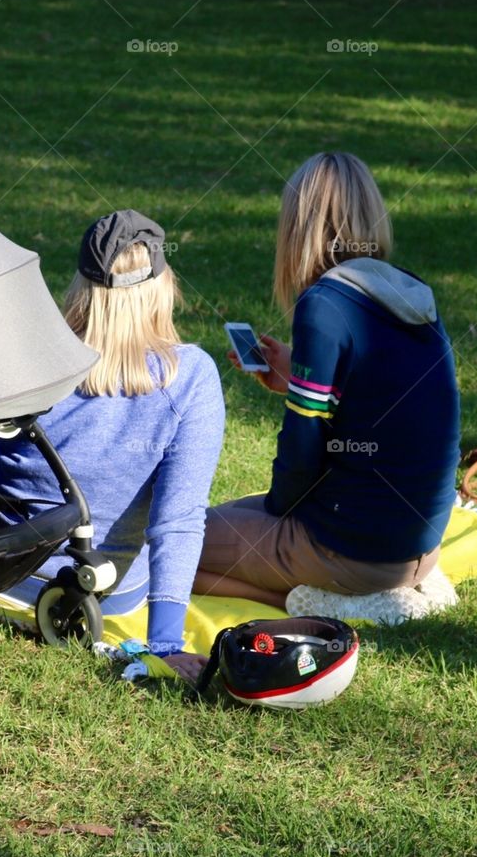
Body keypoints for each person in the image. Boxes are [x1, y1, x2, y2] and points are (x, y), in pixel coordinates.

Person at [0, 210, 224, 682]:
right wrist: (166, 647)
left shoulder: (26, 357)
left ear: (82, 285)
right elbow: (177, 522)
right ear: (161, 287)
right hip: (108, 592)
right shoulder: (190, 377)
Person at [195, 152, 460, 610]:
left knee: (171, 544)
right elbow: (385, 395)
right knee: (224, 517)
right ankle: (359, 585)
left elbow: (302, 449)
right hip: (419, 543)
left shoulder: (324, 305)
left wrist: (278, 514)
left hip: (351, 549)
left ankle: (316, 600)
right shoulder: (408, 291)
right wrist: (298, 373)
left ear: (298, 227)